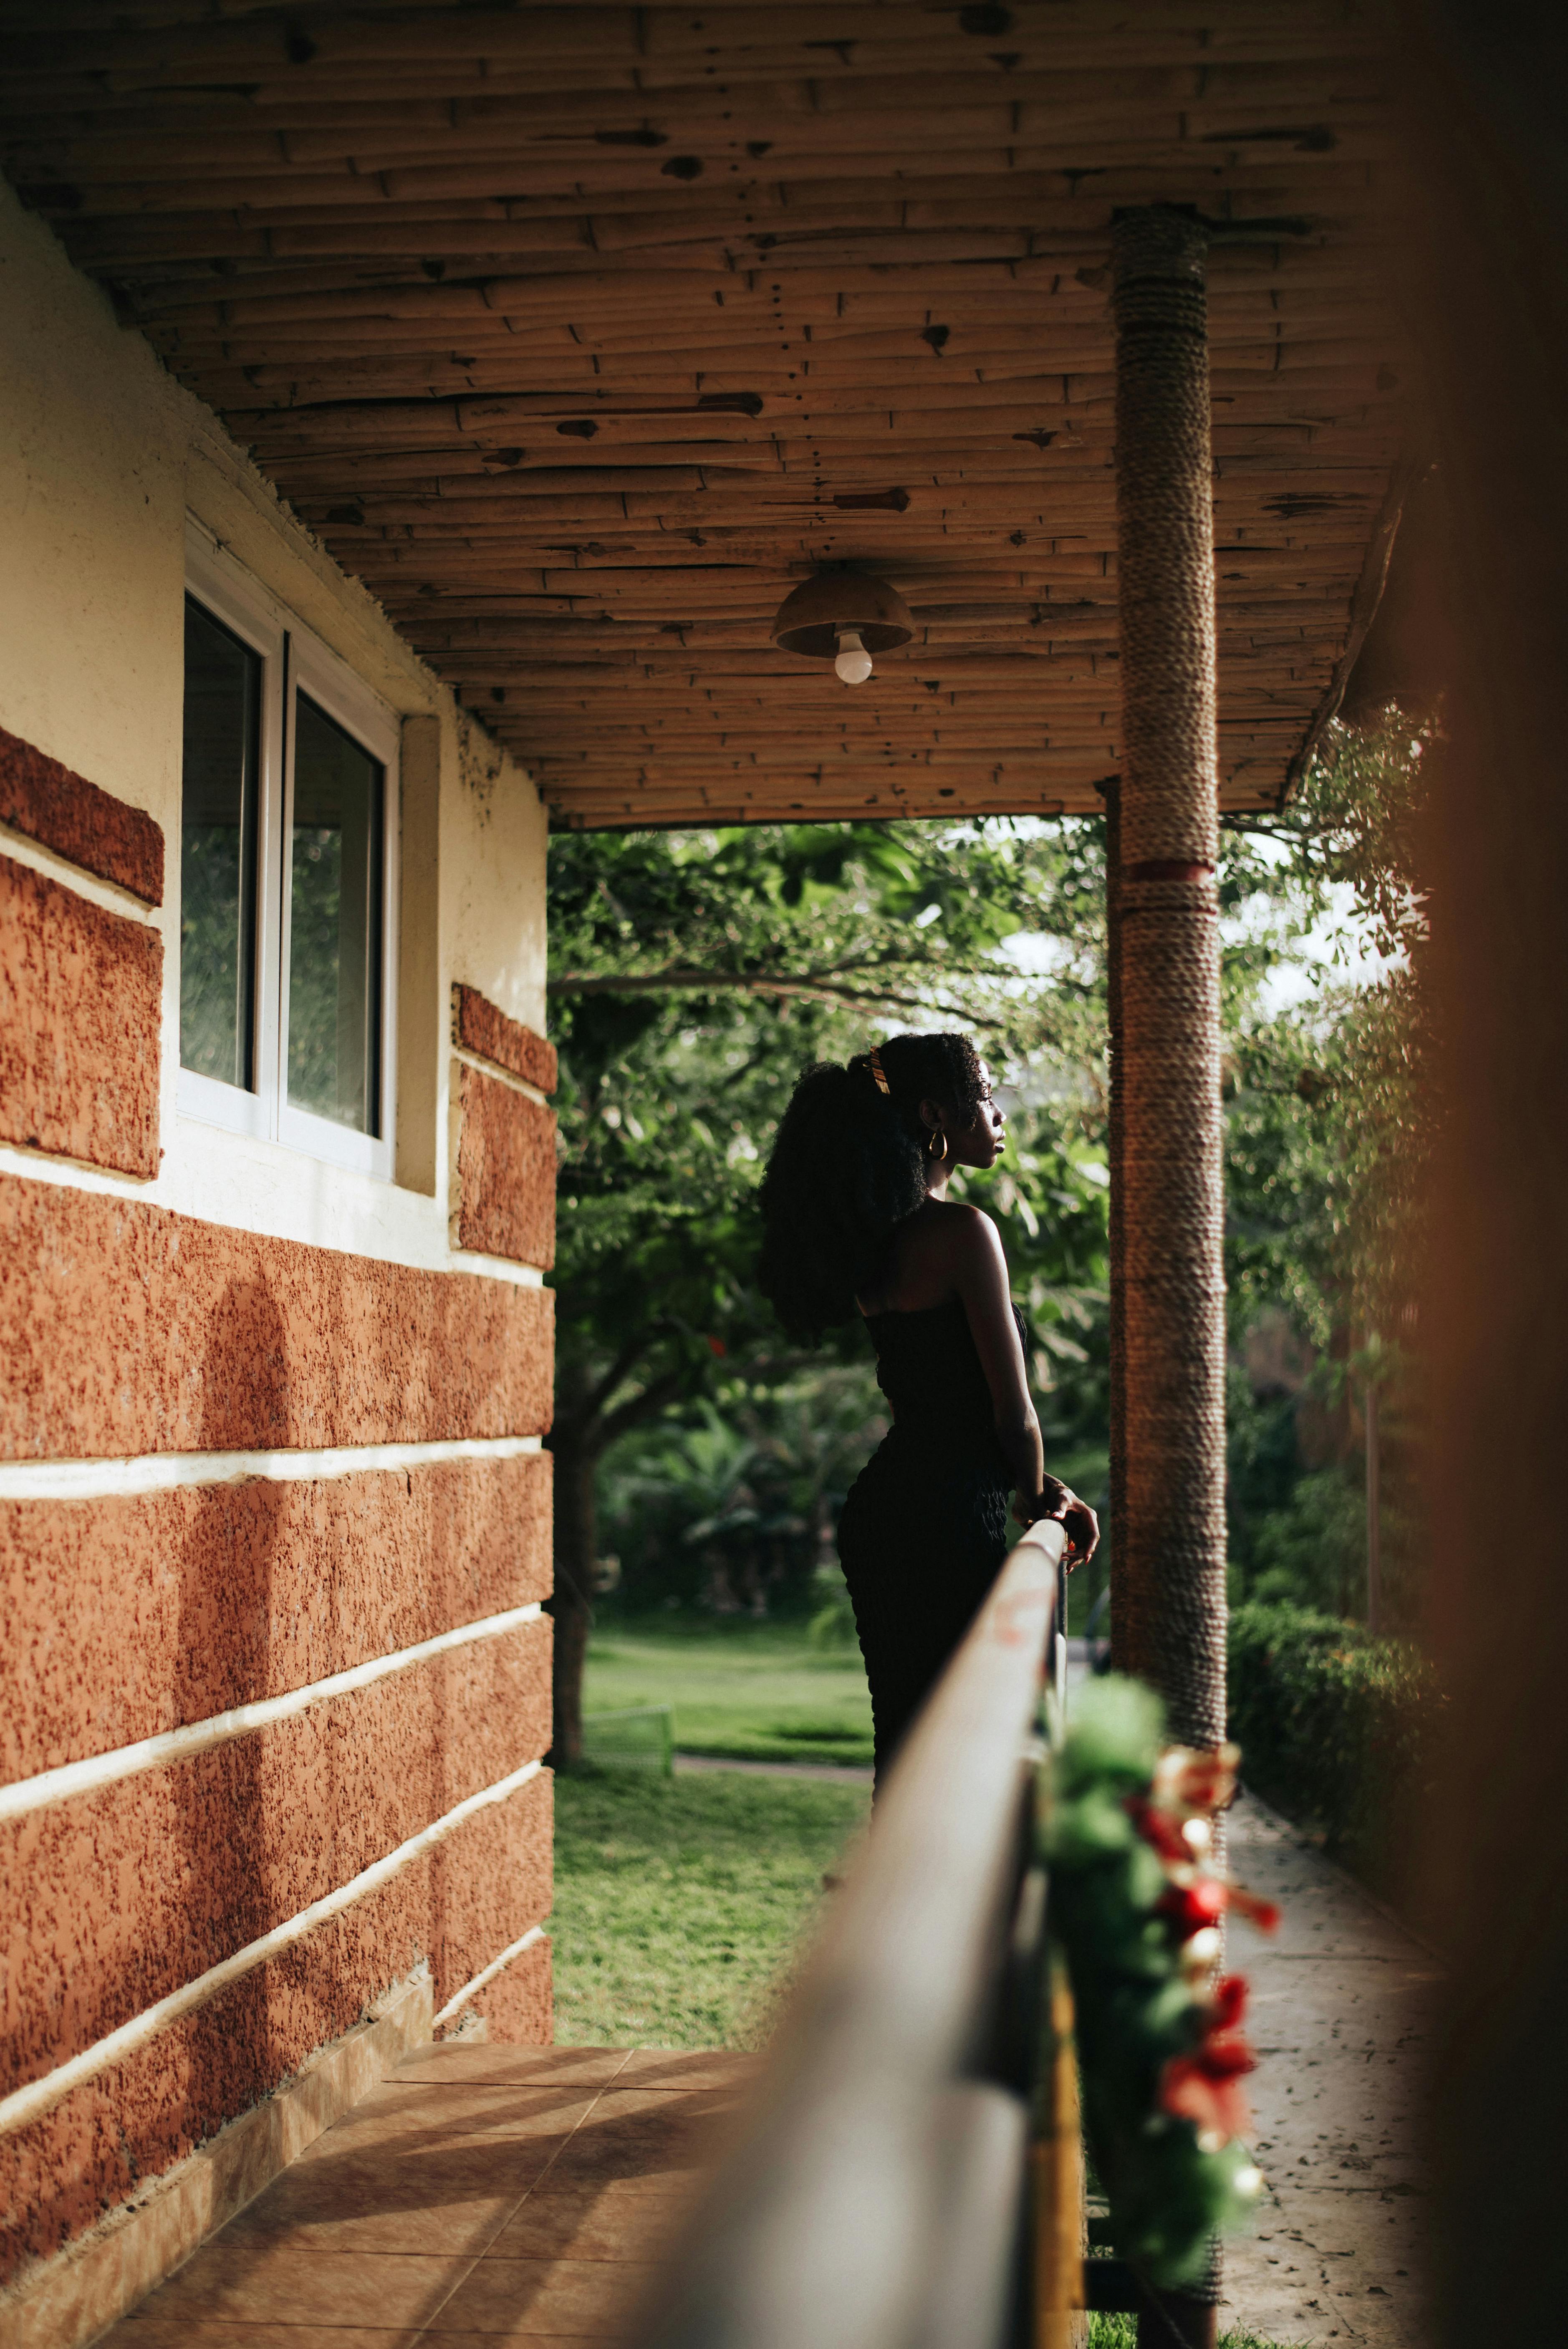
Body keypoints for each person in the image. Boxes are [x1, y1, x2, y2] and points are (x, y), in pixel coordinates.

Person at [758, 1031, 1099, 1788]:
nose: (999, 1113)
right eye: (985, 1096)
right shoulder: (963, 1234)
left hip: (885, 1512)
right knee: (968, 1751)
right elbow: (1012, 1415)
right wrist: (1044, 1495)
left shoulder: (874, 1244)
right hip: (948, 1518)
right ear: (935, 1114)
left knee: (908, 1751)